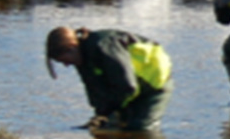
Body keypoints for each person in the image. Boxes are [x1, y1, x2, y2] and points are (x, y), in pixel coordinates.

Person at [45, 26, 173, 132]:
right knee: (111, 127)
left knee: (140, 128)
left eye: (64, 60)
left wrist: (108, 111)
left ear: (72, 47)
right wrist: (100, 116)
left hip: (153, 80)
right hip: (128, 86)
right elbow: (94, 92)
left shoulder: (104, 46)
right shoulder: (81, 60)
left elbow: (128, 86)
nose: (66, 65)